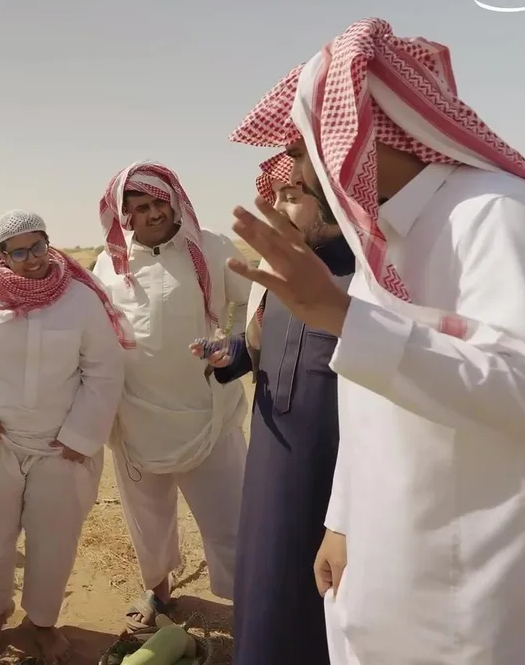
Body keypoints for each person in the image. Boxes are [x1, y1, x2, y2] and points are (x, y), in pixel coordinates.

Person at [226, 17, 525, 664]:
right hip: (390, 565)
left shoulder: (503, 217)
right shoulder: (384, 241)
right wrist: (344, 517)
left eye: (298, 149)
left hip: (489, 593)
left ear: (359, 130)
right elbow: (371, 403)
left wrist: (341, 316)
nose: (293, 170)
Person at [0, 209, 129, 664]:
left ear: (48, 242)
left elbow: (103, 370)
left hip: (60, 449)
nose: (32, 259)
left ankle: (42, 624)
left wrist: (80, 435)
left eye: (37, 246)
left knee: (54, 542)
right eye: (19, 252)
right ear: (3, 256)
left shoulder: (79, 298)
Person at [189, 151, 353, 665]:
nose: (279, 210)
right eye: (277, 197)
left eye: (292, 197)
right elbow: (269, 345)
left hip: (330, 473)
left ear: (329, 200)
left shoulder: (365, 279)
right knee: (262, 583)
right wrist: (231, 353)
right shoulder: (283, 272)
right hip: (268, 458)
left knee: (314, 602)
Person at [92, 161, 251, 632]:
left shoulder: (213, 248)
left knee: (231, 515)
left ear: (175, 201)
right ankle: (158, 592)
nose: (153, 213)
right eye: (139, 207)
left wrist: (234, 343)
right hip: (136, 414)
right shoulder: (108, 263)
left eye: (159, 202)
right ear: (125, 216)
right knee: (148, 517)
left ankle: (248, 604)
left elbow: (253, 300)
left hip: (205, 410)